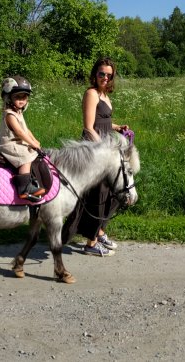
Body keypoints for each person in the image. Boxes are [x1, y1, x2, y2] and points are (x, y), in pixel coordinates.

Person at [61, 57, 129, 257]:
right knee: (98, 195)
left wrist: (117, 127)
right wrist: (104, 151)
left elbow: (103, 120)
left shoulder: (105, 94)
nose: (105, 78)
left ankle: (99, 232)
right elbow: (89, 127)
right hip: (94, 149)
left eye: (109, 75)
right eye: (102, 74)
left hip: (105, 148)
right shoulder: (91, 93)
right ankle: (90, 243)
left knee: (114, 192)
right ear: (95, 74)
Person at [0, 76, 45, 202]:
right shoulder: (10, 114)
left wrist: (35, 140)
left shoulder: (18, 113)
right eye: (18, 97)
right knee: (24, 155)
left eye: (24, 97)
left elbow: (26, 130)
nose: (22, 100)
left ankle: (33, 179)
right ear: (8, 98)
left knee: (33, 151)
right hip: (9, 144)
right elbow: (19, 132)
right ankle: (24, 188)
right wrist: (31, 143)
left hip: (18, 142)